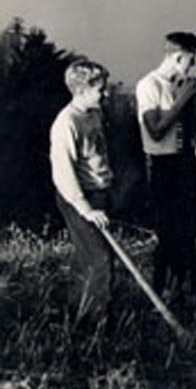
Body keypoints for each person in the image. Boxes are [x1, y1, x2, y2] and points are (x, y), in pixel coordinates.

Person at [135, 31, 196, 301]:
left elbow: (192, 131)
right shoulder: (149, 85)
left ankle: (186, 288)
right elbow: (155, 131)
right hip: (162, 165)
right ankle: (160, 289)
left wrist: (194, 102)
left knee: (188, 228)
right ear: (177, 57)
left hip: (184, 160)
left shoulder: (182, 84)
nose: (193, 66)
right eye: (191, 59)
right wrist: (183, 99)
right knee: (167, 230)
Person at [49, 59, 114, 318]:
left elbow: (99, 154)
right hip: (78, 198)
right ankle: (96, 325)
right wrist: (85, 208)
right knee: (100, 262)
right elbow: (63, 174)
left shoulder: (94, 114)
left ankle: (75, 311)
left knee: (86, 258)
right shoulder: (66, 123)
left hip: (99, 194)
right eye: (101, 89)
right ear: (82, 90)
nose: (106, 94)